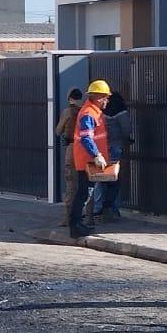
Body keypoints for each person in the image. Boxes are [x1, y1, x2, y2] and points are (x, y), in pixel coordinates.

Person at [69, 80, 111, 239]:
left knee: (84, 193)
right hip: (88, 161)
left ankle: (77, 225)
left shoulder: (93, 112)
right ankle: (75, 226)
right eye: (105, 97)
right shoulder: (89, 113)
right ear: (98, 97)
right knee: (83, 194)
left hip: (89, 160)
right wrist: (96, 155)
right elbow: (86, 138)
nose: (107, 100)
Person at [94, 92, 133, 222]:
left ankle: (97, 208)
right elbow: (127, 129)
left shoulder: (100, 111)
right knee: (113, 179)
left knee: (100, 178)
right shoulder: (120, 111)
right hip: (115, 147)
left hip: (101, 148)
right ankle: (112, 208)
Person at [54, 88, 83, 224]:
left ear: (69, 98)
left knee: (71, 183)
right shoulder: (85, 111)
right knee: (86, 184)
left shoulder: (67, 112)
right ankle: (87, 216)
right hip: (86, 150)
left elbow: (58, 131)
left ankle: (68, 218)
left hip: (72, 149)